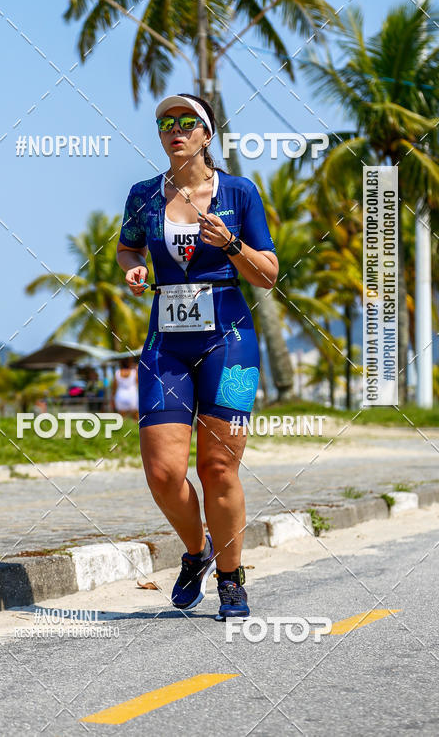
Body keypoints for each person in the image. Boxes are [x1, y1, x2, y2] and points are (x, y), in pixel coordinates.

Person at [116, 93, 278, 620]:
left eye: (188, 122)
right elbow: (128, 245)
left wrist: (230, 245)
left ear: (207, 134)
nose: (176, 130)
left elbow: (268, 274)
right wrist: (133, 266)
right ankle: (197, 552)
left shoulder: (238, 192)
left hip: (229, 341)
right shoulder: (143, 195)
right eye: (166, 123)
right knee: (164, 472)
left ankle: (231, 577)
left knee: (218, 466)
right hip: (165, 343)